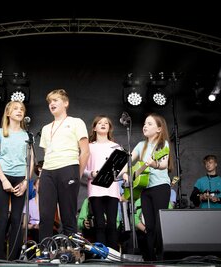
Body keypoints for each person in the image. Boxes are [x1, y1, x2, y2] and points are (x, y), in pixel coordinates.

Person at [38, 89, 90, 241]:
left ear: (65, 103)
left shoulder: (76, 122)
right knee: (46, 215)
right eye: (50, 102)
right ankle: (45, 250)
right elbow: (47, 154)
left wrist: (76, 174)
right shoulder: (46, 128)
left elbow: (85, 151)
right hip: (48, 171)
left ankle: (70, 252)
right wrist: (42, 176)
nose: (52, 104)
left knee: (68, 215)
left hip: (69, 168)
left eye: (55, 100)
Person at [123, 112, 174, 261]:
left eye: (150, 123)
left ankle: (162, 256)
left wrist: (155, 164)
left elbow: (164, 164)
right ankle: (151, 258)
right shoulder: (140, 145)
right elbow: (128, 163)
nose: (145, 126)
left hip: (160, 187)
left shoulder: (162, 144)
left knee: (159, 224)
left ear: (159, 129)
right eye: (145, 123)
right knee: (149, 226)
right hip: (145, 189)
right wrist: (126, 174)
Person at [0, 100, 33, 260]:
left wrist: (25, 182)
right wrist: (3, 180)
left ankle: (14, 258)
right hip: (3, 177)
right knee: (2, 217)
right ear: (8, 113)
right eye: (15, 109)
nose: (19, 111)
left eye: (22, 109)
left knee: (16, 218)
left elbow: (31, 161)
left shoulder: (27, 135)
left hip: (20, 179)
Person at [82, 115, 122, 250]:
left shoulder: (116, 147)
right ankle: (101, 254)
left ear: (110, 128)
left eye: (106, 123)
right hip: (95, 188)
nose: (103, 124)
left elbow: (121, 169)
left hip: (112, 189)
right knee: (99, 223)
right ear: (94, 127)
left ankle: (113, 254)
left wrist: (121, 174)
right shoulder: (88, 147)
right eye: (100, 123)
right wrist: (92, 174)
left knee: (111, 223)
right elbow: (83, 170)